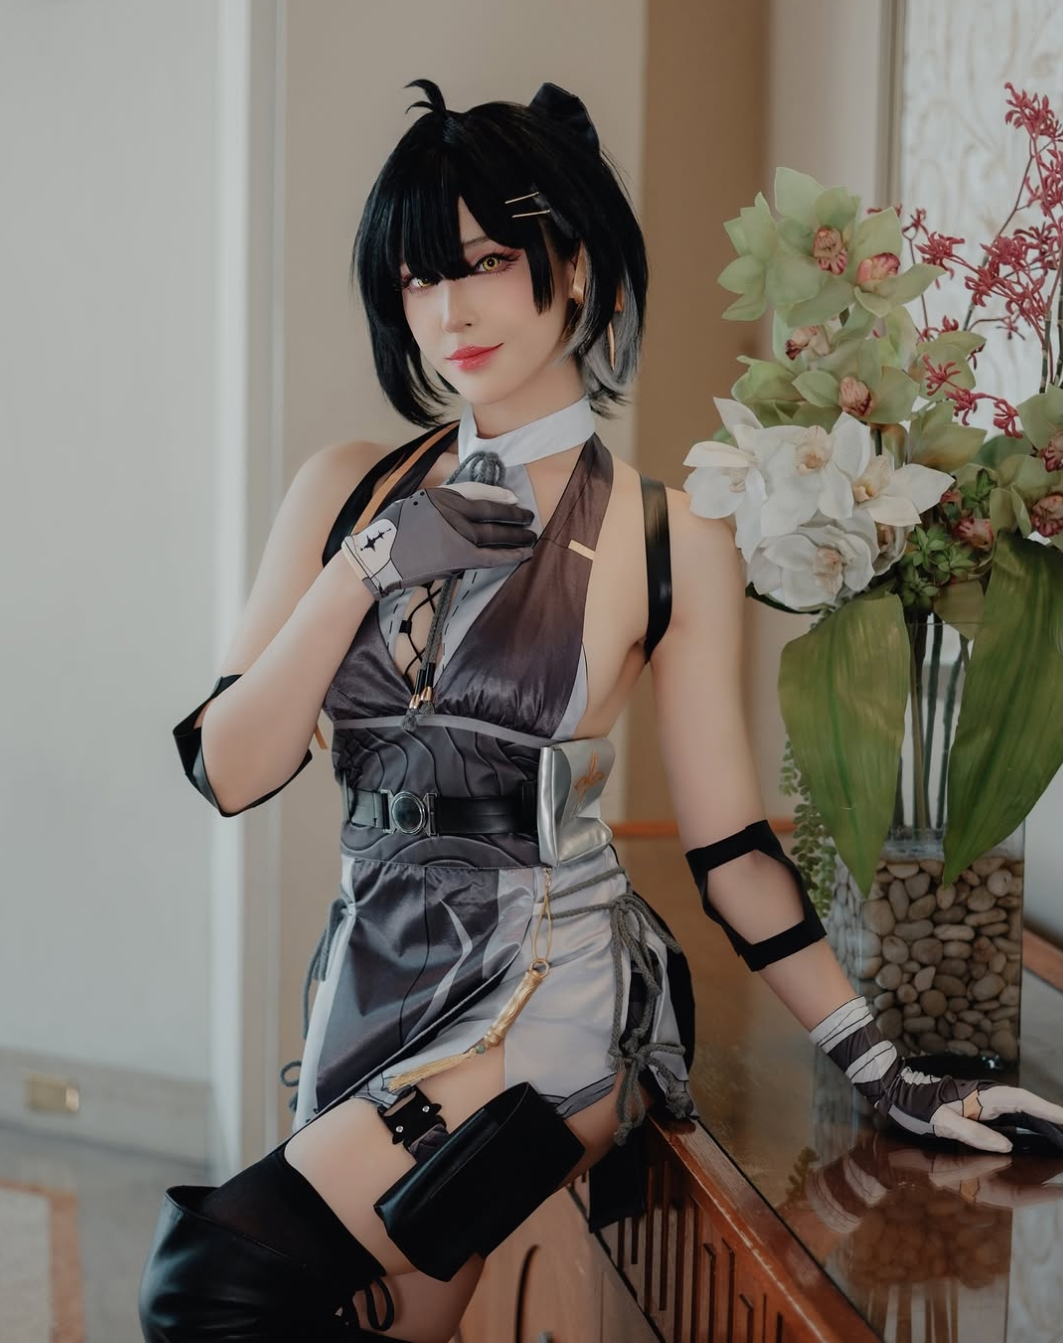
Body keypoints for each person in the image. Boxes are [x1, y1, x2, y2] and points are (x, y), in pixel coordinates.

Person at [138, 80, 1063, 1343]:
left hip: (545, 999)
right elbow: (228, 769)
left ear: (572, 266)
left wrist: (882, 1068)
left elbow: (731, 849)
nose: (450, 311)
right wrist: (369, 566)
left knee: (213, 1284)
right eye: (416, 279)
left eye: (485, 263)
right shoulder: (346, 489)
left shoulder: (667, 533)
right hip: (371, 973)